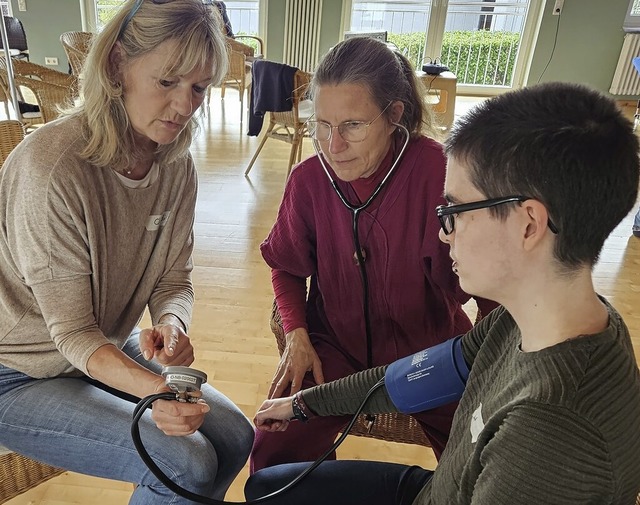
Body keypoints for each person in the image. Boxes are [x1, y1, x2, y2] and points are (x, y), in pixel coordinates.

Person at [245, 81, 640, 504]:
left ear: (528, 224)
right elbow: (422, 373)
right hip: (439, 490)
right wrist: (305, 405)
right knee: (268, 488)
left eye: (454, 211)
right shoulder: (523, 319)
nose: (441, 232)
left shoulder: (547, 435)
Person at [0, 1, 254, 503]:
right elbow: (71, 333)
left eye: (199, 87)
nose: (185, 106)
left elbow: (173, 280)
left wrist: (172, 323)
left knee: (236, 436)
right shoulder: (52, 168)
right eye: (167, 82)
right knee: (183, 461)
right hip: (17, 370)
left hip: (103, 345)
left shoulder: (176, 164)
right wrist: (155, 390)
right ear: (117, 65)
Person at [250, 36, 496, 472]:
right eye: (321, 124)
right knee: (272, 447)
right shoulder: (308, 182)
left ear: (394, 116)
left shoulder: (439, 173)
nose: (332, 144)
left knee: (483, 452)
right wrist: (296, 333)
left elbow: (493, 282)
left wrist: (489, 360)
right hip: (335, 349)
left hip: (429, 353)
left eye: (352, 126)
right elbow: (285, 267)